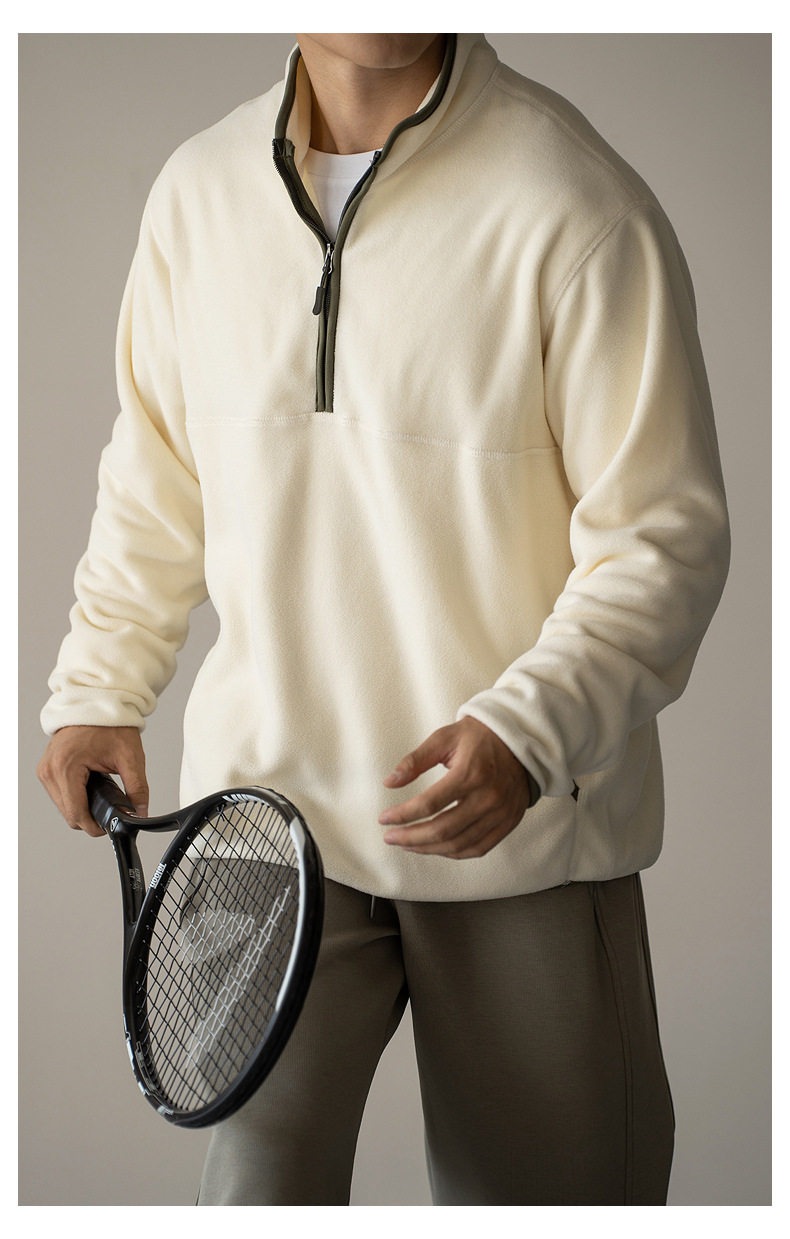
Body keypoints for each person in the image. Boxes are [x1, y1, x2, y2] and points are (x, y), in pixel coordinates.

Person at [37, 33, 730, 1205]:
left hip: (517, 836)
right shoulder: (197, 194)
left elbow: (662, 540)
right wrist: (100, 684)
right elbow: (155, 481)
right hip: (264, 830)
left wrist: (526, 732)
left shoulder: (573, 201)